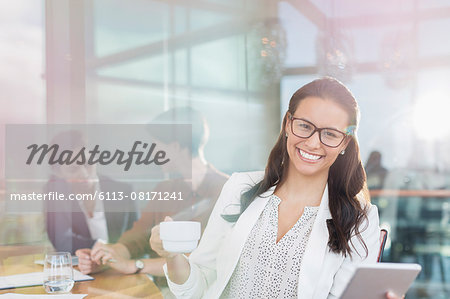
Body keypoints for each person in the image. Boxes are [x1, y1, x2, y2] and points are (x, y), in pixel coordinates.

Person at [150, 78, 399, 298]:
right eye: (304, 126)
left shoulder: (360, 220)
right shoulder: (240, 187)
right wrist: (172, 256)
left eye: (330, 134)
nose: (313, 143)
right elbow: (197, 287)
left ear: (344, 142)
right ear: (288, 124)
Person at [76, 107, 229, 277]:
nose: (154, 153)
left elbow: (202, 260)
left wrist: (134, 265)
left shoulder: (227, 190)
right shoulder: (165, 189)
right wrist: (106, 256)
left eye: (157, 145)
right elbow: (137, 239)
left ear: (175, 146)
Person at [45, 130, 138, 255]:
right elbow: (61, 241)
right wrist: (100, 249)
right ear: (59, 173)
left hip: (120, 266)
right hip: (82, 268)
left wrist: (112, 253)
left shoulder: (123, 191)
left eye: (88, 164)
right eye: (73, 169)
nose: (84, 174)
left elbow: (136, 239)